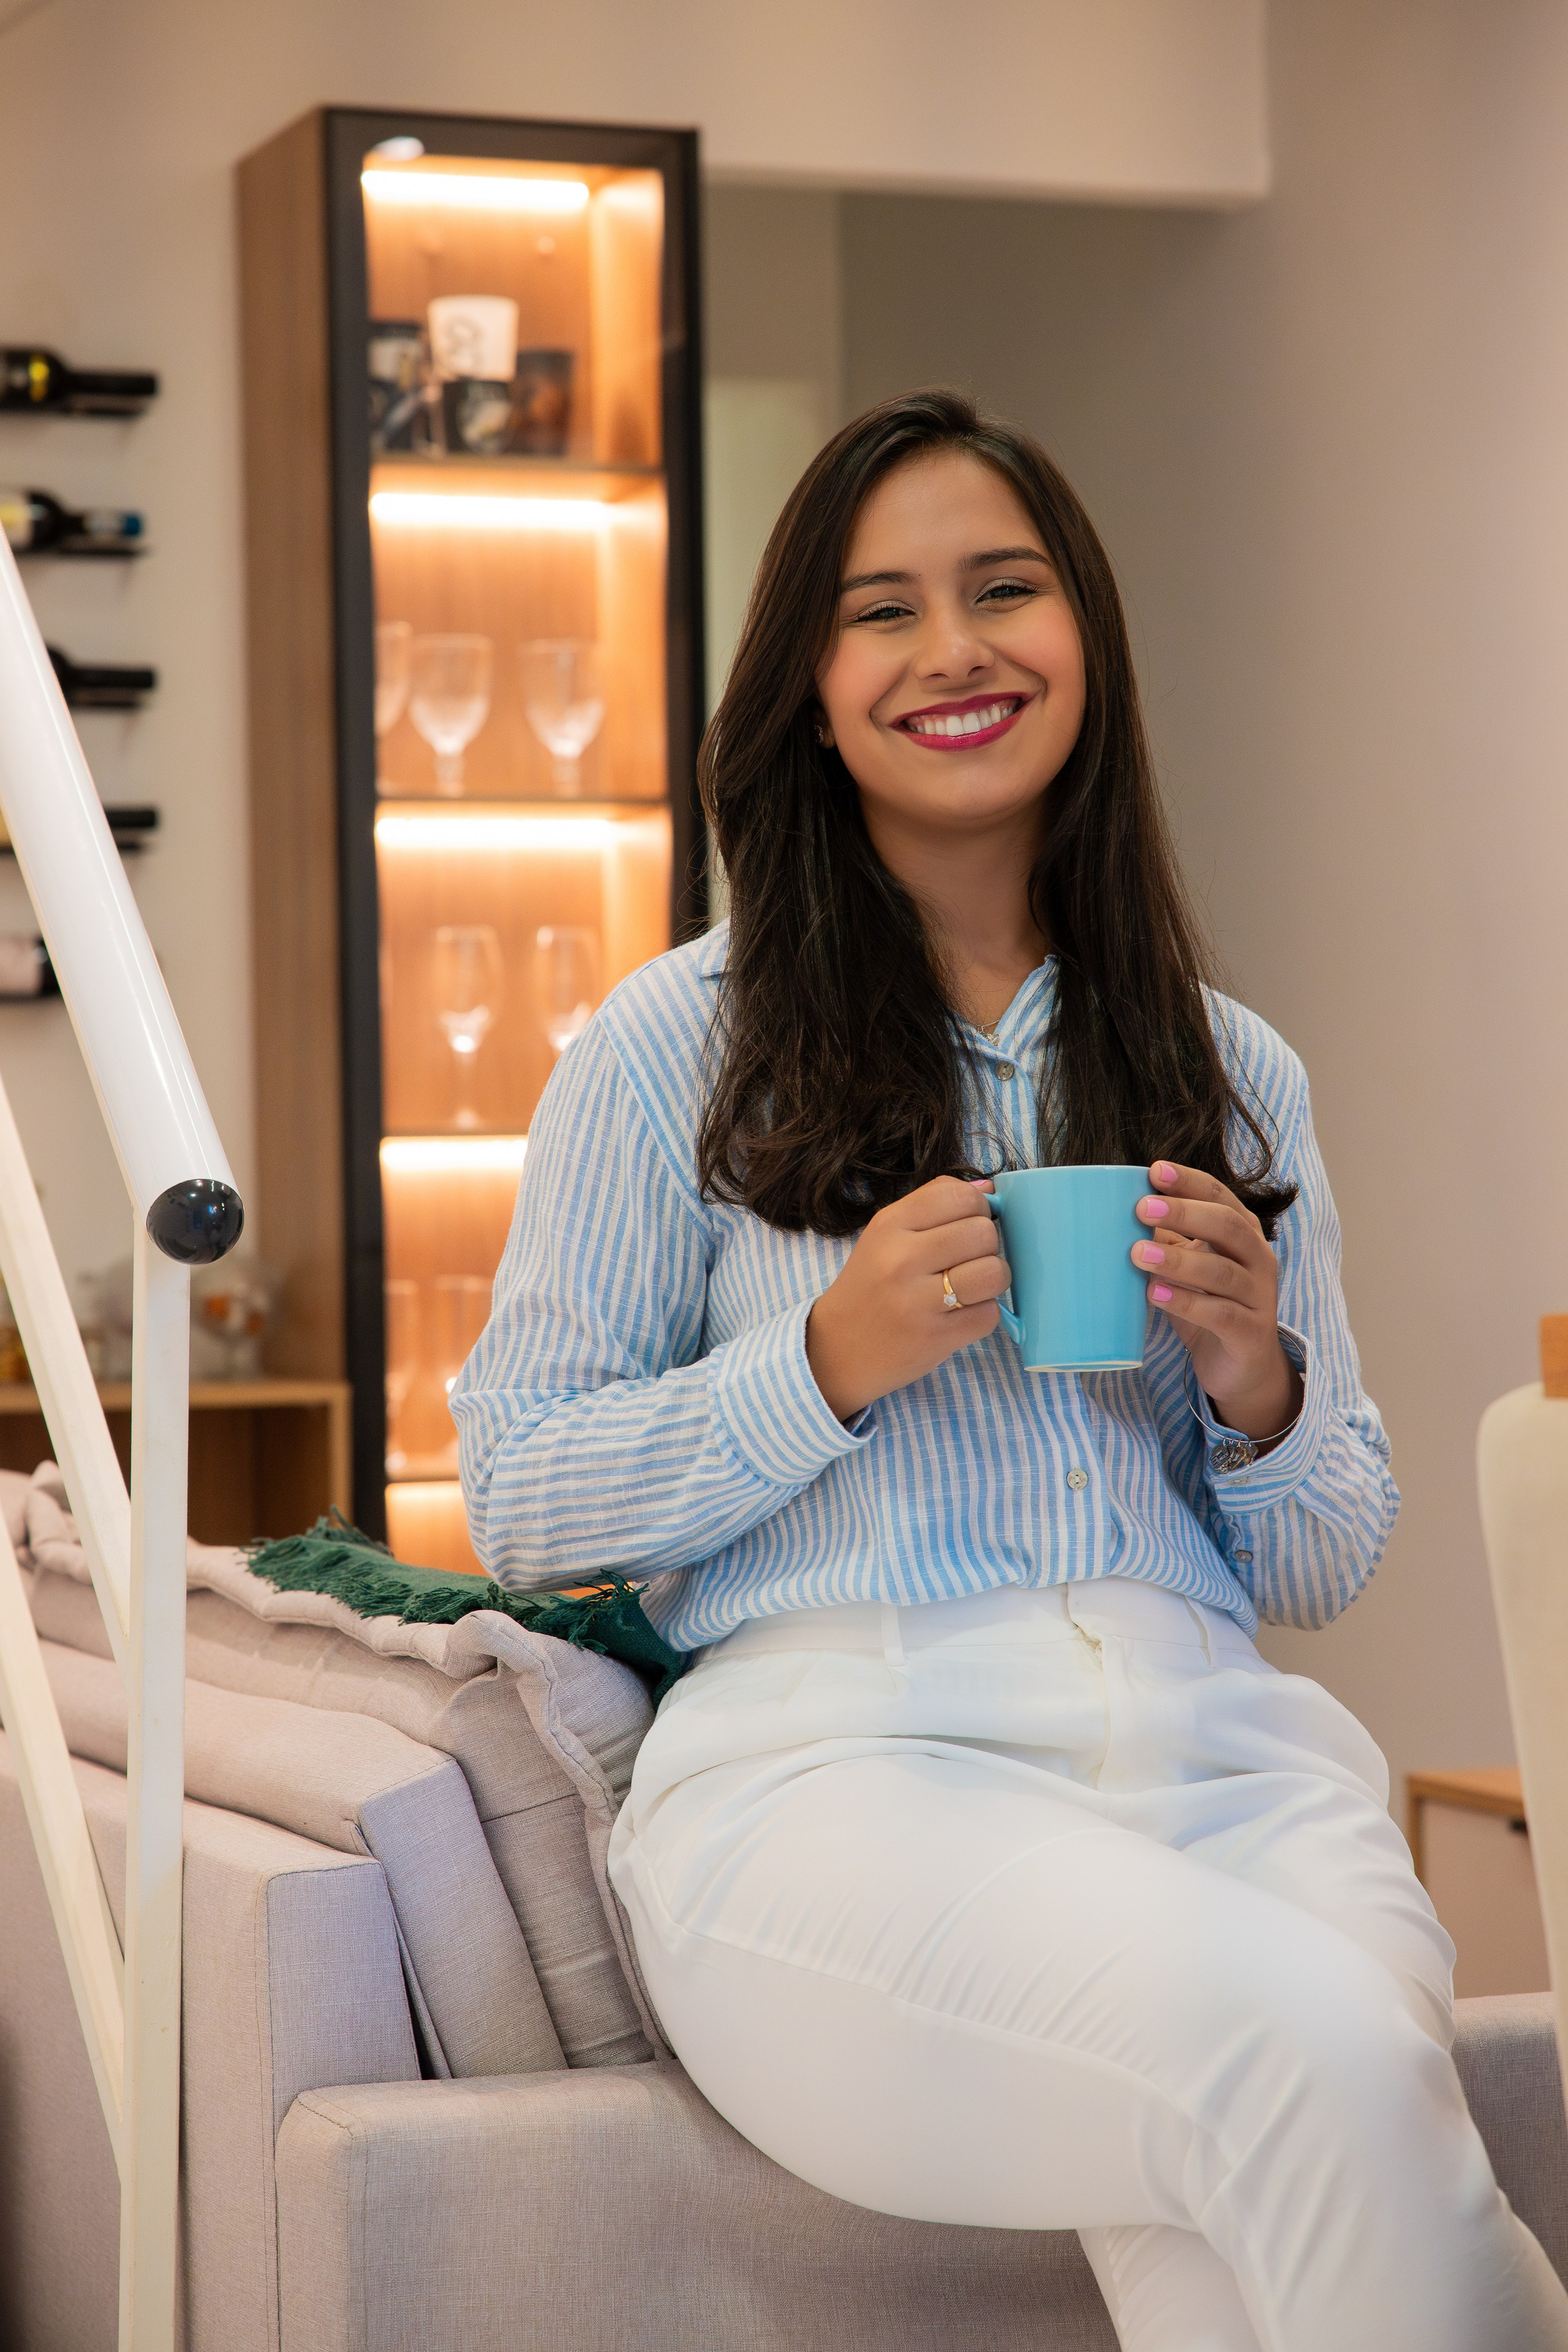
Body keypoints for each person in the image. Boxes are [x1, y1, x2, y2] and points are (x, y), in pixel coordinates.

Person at [453, 390, 1568, 2351]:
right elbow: (524, 1495)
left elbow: (1323, 1559)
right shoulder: (667, 1047)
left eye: (1005, 590)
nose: (954, 648)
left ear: (1089, 647)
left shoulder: (1234, 1067)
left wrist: (1257, 1375)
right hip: (845, 1783)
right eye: (882, 610)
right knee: (1310, 2063)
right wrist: (822, 1360)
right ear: (808, 685)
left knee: (1249, 2259)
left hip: (1229, 1767)